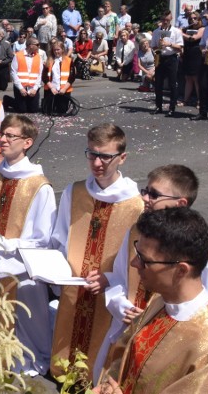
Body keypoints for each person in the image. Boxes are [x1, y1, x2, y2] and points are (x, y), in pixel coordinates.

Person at [88, 164, 208, 382]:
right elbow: (118, 277)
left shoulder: (205, 261)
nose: (145, 198)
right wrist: (119, 304)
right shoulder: (136, 233)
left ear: (181, 203)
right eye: (145, 191)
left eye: (154, 194)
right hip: (127, 331)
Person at [95, 208, 208, 394]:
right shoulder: (160, 301)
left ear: (181, 271)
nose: (134, 264)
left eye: (144, 260)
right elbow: (123, 358)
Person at [50, 123, 143, 376]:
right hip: (74, 287)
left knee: (98, 364)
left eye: (105, 156)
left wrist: (110, 279)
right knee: (66, 358)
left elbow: (137, 261)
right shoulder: (74, 191)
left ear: (122, 158)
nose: (97, 162)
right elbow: (59, 238)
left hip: (109, 292)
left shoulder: (135, 204)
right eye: (92, 153)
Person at [0, 114, 57, 375]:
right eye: (2, 134)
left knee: (26, 334)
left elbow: (43, 240)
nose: (3, 140)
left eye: (10, 136)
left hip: (20, 272)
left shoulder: (39, 187)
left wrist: (1, 242)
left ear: (28, 142)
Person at [150, 11, 184, 117]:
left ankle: (172, 108)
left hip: (171, 58)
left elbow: (180, 47)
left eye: (167, 20)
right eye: (163, 20)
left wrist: (168, 44)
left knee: (172, 84)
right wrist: (158, 48)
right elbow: (153, 46)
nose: (165, 22)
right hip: (160, 57)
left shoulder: (176, 31)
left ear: (171, 19)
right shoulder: (156, 32)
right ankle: (159, 106)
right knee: (158, 83)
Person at [10, 38, 45, 114]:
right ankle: (8, 100)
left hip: (33, 87)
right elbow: (13, 72)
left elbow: (40, 74)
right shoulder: (18, 55)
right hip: (21, 87)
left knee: (33, 110)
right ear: (31, 46)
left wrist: (35, 89)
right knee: (22, 110)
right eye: (37, 45)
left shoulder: (38, 57)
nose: (39, 47)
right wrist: (20, 88)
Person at [41, 41, 74, 116]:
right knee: (48, 112)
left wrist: (64, 89)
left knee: (62, 111)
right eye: (54, 50)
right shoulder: (48, 60)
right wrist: (52, 88)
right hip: (51, 89)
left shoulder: (69, 60)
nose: (56, 51)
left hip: (63, 90)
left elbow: (72, 77)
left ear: (62, 49)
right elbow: (44, 77)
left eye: (58, 49)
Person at [181, 11, 205, 106]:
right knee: (188, 78)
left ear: (199, 19)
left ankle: (200, 101)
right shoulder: (187, 28)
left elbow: (194, 38)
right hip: (188, 53)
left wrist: (181, 33)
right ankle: (185, 100)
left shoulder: (202, 28)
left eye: (195, 18)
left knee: (196, 78)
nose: (192, 20)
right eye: (191, 19)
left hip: (197, 54)